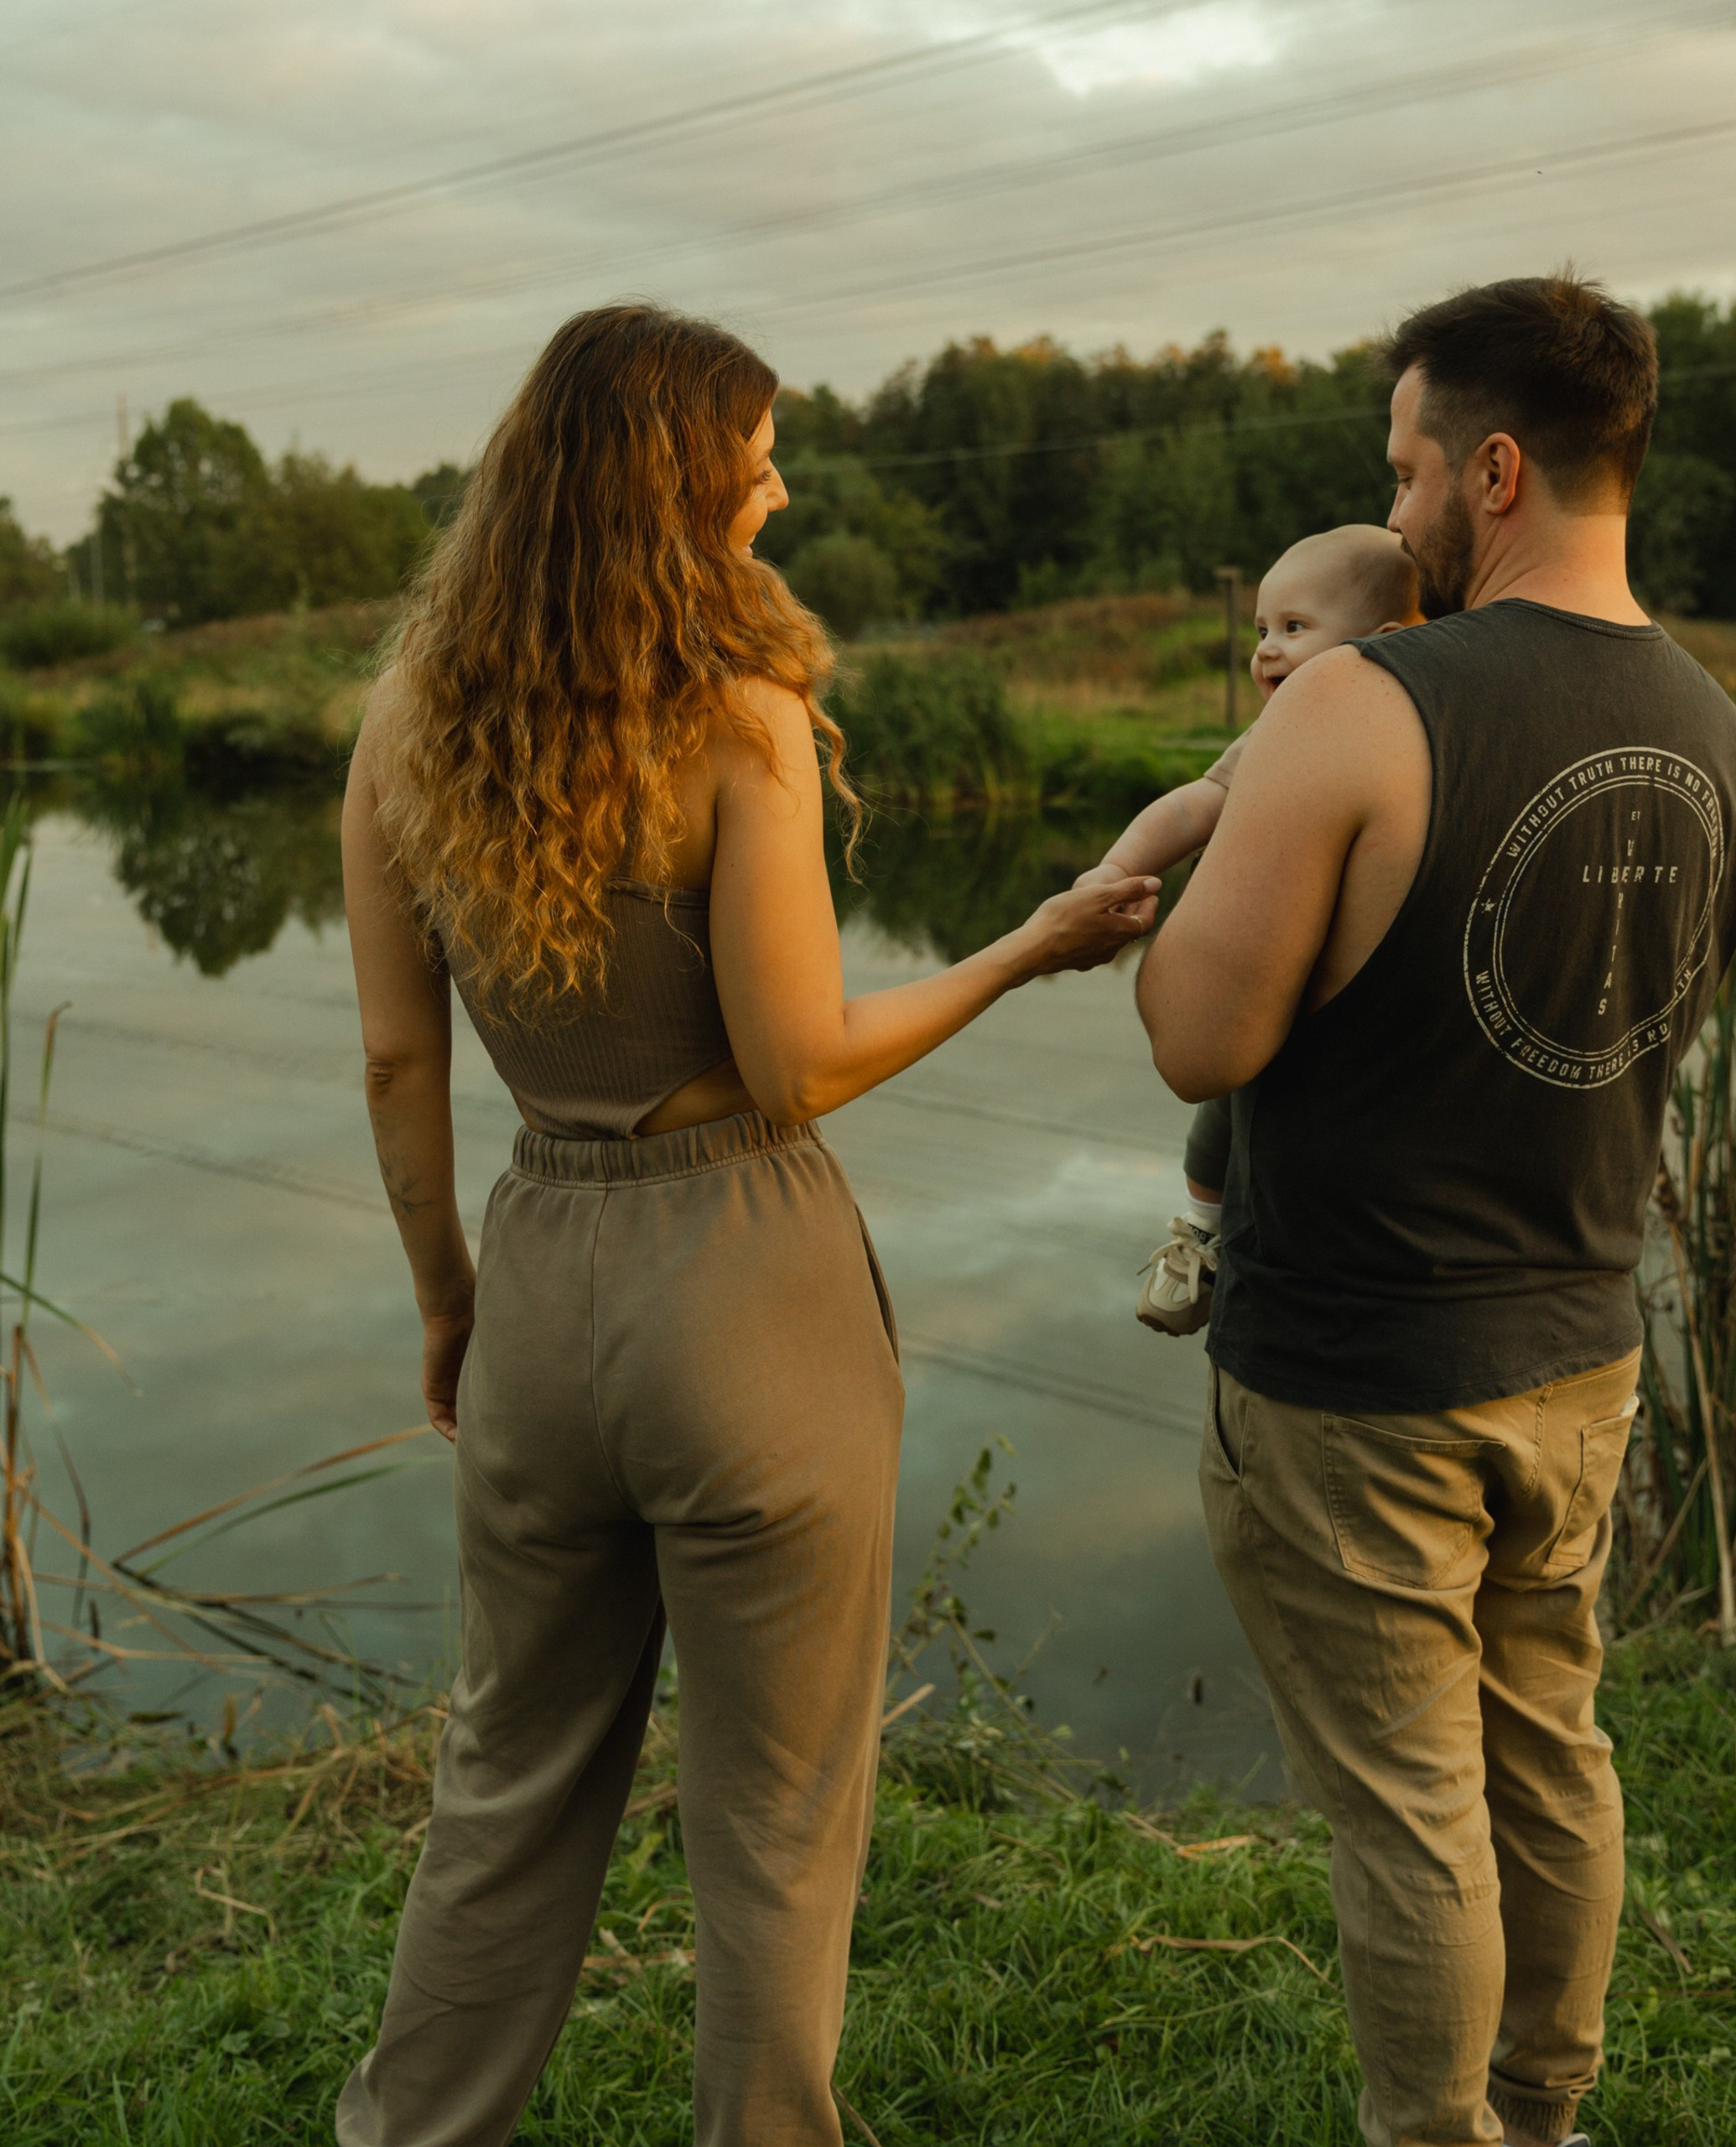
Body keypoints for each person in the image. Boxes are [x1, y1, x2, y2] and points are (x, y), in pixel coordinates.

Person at [335, 303, 1155, 2147]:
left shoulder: (407, 719)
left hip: (540, 1265)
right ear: (673, 478)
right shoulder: (742, 717)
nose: (781, 477)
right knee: (777, 1816)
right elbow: (795, 1064)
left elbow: (399, 1068)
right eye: (757, 449)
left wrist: (450, 1302)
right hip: (746, 1283)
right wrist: (1023, 946)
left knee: (506, 1776)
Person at [1136, 275, 1736, 2147]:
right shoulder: (1715, 726)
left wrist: (1157, 897)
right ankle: (1543, 2114)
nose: (1392, 512)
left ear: (1488, 470)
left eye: (1402, 470)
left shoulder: (1357, 706)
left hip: (1357, 1373)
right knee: (1547, 1749)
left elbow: (1196, 1036)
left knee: (1411, 1802)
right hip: (1579, 1351)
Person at [1075, 527, 1419, 1335]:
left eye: (1295, 630)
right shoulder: (1274, 736)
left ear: (1387, 645)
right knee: (1227, 1112)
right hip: (1269, 990)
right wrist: (1114, 870)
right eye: (1261, 631)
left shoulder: (1412, 735)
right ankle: (1199, 1233)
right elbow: (1195, 803)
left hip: (1356, 1019)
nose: (1266, 651)